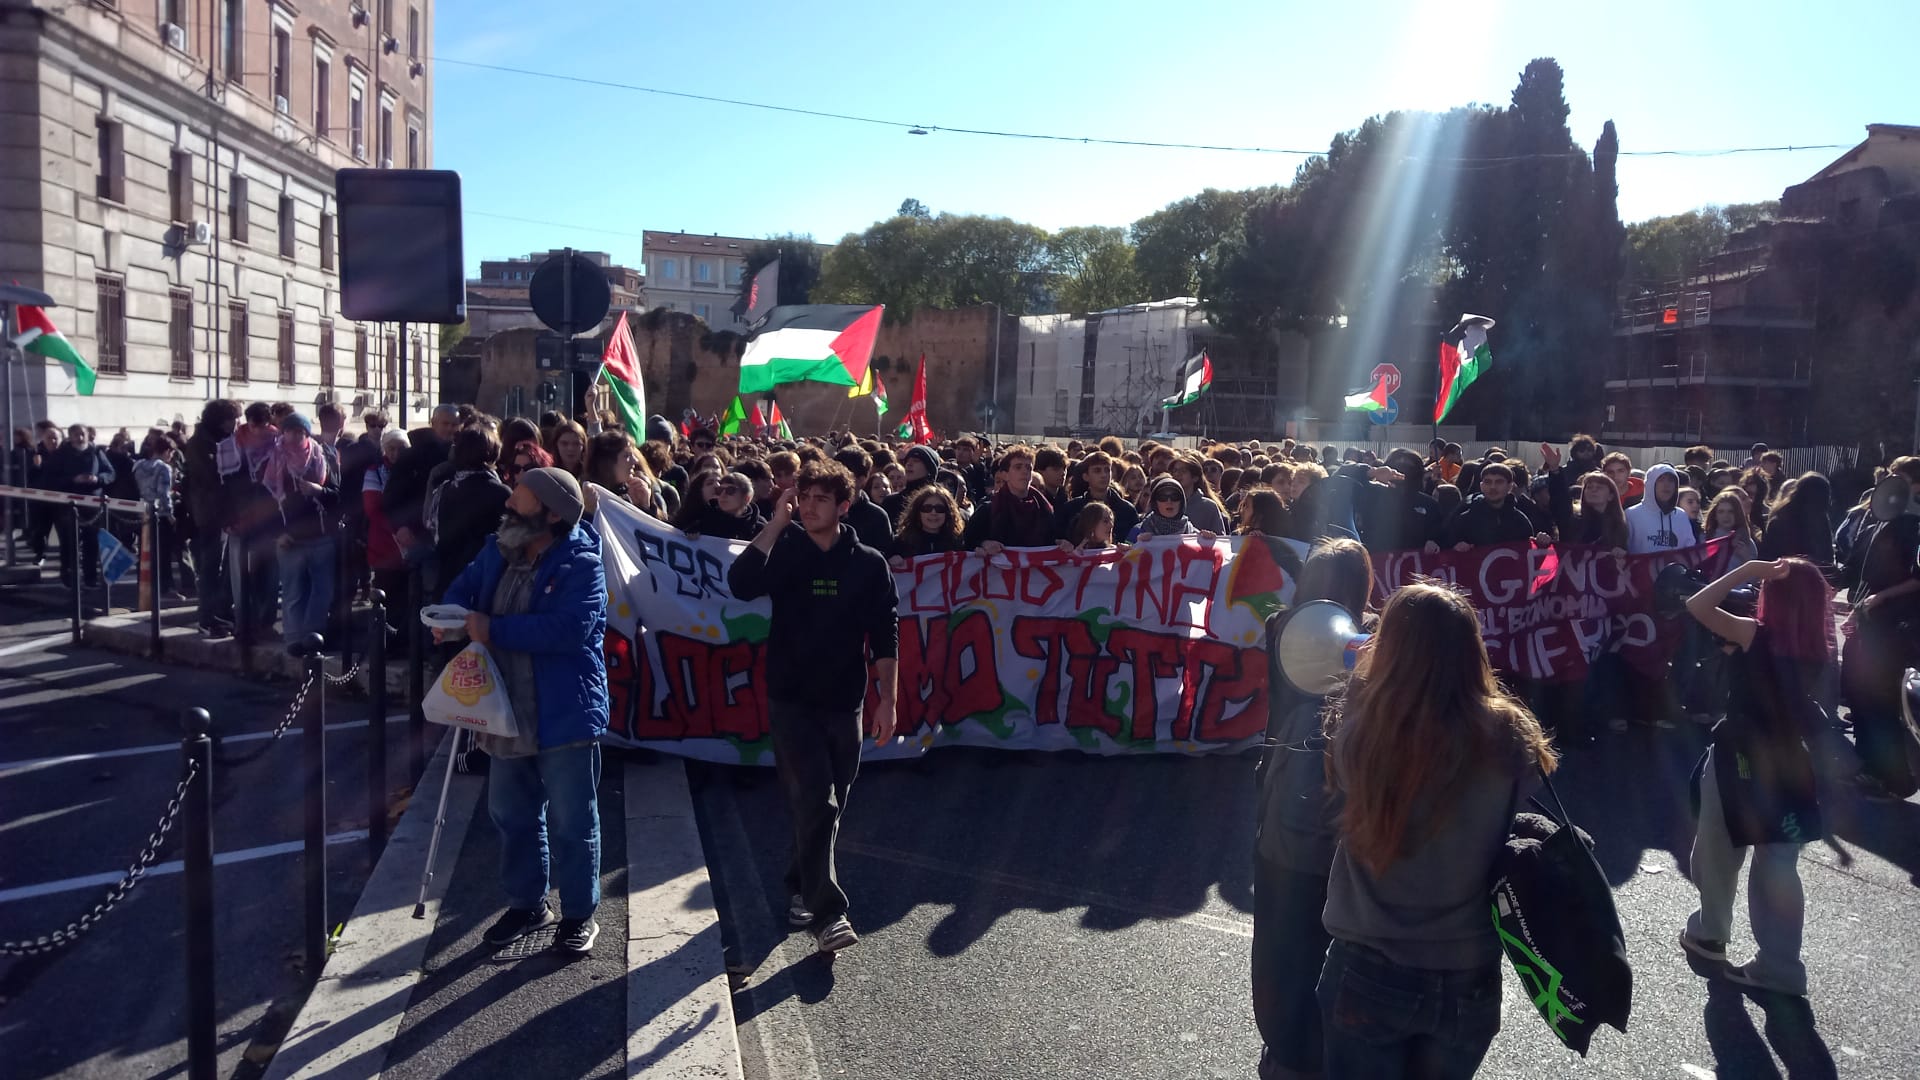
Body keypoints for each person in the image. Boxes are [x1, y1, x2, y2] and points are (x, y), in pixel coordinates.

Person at [1319, 581, 1558, 1079]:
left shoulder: (1363, 728)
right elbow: (1529, 781)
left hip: (1370, 960)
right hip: (1467, 967)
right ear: (1472, 649)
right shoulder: (1509, 733)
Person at [727, 460, 899, 954]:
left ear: (844, 506)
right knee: (817, 800)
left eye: (820, 499)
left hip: (845, 700)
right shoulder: (786, 550)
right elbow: (740, 583)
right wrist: (774, 523)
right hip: (791, 699)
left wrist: (887, 700)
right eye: (803, 498)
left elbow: (885, 633)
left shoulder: (868, 563)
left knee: (828, 802)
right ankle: (828, 914)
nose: (808, 506)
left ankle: (801, 884)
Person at [440, 467, 609, 955]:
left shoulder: (582, 563)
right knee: (511, 813)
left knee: (573, 821)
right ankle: (528, 904)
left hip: (564, 711)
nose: (509, 502)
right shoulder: (498, 548)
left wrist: (492, 629)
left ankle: (578, 914)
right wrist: (450, 617)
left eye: (521, 495)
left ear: (552, 514)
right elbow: (462, 589)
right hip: (504, 707)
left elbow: (569, 630)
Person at [1680, 558, 1833, 996]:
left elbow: (1697, 605)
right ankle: (1782, 965)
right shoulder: (1817, 648)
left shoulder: (1753, 634)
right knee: (1779, 864)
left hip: (1740, 757)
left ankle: (1711, 932)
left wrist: (1748, 568)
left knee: (1717, 848)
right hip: (1791, 763)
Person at [1253, 538, 1372, 1080]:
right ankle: (1322, 1049)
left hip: (1285, 802)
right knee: (1335, 939)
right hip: (1346, 808)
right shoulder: (1368, 640)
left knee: (1281, 940)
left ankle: (1287, 1048)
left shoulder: (1282, 625)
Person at [266, 414, 337, 642]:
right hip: (290, 538)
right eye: (290, 431)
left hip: (321, 536)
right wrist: (277, 533)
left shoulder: (322, 456)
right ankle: (294, 640)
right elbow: (266, 502)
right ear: (283, 433)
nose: (295, 436)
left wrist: (319, 490)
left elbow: (337, 494)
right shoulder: (275, 458)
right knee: (293, 593)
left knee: (323, 591)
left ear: (307, 434)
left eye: (300, 432)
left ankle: (313, 638)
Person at [432, 427, 513, 589]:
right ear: (493, 453)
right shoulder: (499, 492)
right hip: (484, 575)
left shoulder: (446, 488)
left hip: (449, 574)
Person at [182, 402, 239, 634]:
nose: (235, 423)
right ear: (220, 420)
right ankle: (206, 618)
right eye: (232, 419)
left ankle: (220, 611)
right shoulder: (200, 444)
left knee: (224, 567)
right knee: (210, 566)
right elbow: (210, 477)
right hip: (210, 513)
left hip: (225, 511)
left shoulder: (224, 440)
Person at [45, 423, 116, 589]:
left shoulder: (96, 452)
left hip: (92, 503)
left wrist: (98, 479)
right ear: (70, 437)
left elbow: (110, 473)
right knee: (69, 541)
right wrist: (72, 480)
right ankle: (69, 575)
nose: (80, 438)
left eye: (83, 434)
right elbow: (51, 479)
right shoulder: (61, 454)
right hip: (68, 504)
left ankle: (90, 577)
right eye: (76, 434)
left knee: (92, 541)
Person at [364, 429, 409, 646]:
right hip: (384, 543)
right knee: (385, 596)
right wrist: (397, 529)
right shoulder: (375, 472)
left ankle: (404, 641)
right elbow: (372, 507)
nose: (395, 453)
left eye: (401, 448)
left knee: (406, 595)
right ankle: (384, 646)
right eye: (391, 448)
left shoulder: (415, 470)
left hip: (410, 542)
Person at [1439, 462, 1536, 551]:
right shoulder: (1464, 521)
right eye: (1488, 482)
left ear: (1510, 487)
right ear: (1481, 486)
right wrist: (1455, 548)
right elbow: (1445, 551)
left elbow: (1530, 555)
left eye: (1499, 482)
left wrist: (1540, 542)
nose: (1493, 487)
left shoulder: (1521, 522)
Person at [979, 445, 1055, 551]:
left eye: (1028, 468)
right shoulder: (988, 509)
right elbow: (968, 542)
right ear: (1005, 475)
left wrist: (1060, 543)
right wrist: (983, 544)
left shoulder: (1044, 508)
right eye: (1018, 467)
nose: (1024, 471)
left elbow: (1051, 539)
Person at [1052, 450, 1139, 542]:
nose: (1103, 475)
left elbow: (1136, 542)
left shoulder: (1127, 510)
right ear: (1086, 476)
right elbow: (1059, 539)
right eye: (1097, 471)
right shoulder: (1071, 509)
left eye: (1107, 470)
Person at [133, 430, 180, 598]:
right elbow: (163, 493)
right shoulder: (164, 468)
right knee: (163, 553)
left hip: (143, 511)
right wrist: (170, 514)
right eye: (171, 453)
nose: (171, 456)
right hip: (160, 514)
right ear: (167, 451)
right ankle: (166, 587)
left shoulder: (138, 466)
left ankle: (144, 583)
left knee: (145, 551)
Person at [1757, 472, 1834, 570]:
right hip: (1794, 574)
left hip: (1787, 573)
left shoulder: (1781, 517)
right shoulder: (1819, 519)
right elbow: (1827, 557)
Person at [1626, 464, 1701, 554]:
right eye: (1661, 480)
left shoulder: (1681, 515)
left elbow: (1690, 550)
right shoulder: (1632, 515)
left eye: (1671, 480)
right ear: (1650, 484)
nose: (1666, 485)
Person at [834, 446, 893, 551]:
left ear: (862, 479)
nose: (836, 480)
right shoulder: (823, 508)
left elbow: (885, 553)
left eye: (844, 476)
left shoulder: (877, 516)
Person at [1127, 477, 1218, 543]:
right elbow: (1125, 560)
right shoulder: (1137, 531)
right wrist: (1136, 547)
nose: (1169, 501)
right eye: (1163, 497)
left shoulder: (1193, 534)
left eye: (1175, 496)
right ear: (1155, 502)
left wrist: (1210, 545)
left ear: (1182, 502)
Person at [889, 484, 964, 564]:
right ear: (918, 512)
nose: (933, 513)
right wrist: (891, 559)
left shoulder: (958, 543)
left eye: (939, 508)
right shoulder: (900, 543)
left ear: (948, 513)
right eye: (927, 508)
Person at [880, 444, 942, 525]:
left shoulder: (941, 501)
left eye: (916, 461)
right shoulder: (891, 502)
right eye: (907, 461)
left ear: (929, 468)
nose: (909, 464)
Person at [1705, 490, 1759, 565]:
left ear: (1737, 514)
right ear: (1715, 515)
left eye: (1731, 511)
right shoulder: (1705, 538)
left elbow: (1755, 571)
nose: (1726, 516)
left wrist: (1746, 558)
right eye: (1721, 512)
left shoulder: (1747, 541)